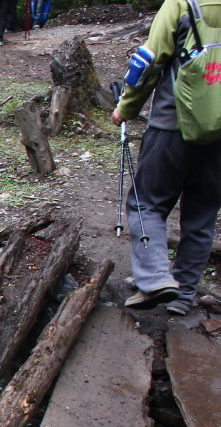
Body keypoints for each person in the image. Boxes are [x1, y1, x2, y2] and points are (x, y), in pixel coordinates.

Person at [112, 0, 221, 313]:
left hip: (172, 125)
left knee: (146, 203)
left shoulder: (182, 5)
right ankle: (184, 294)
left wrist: (126, 108)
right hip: (218, 134)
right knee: (202, 213)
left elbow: (147, 63)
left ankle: (156, 277)